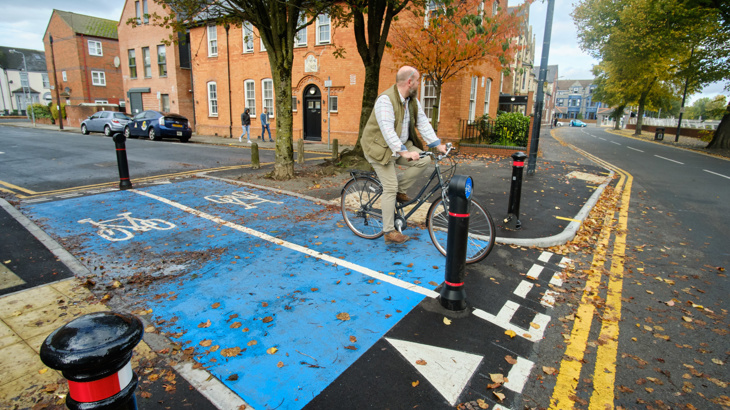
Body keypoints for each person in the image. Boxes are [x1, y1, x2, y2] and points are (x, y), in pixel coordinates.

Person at [361, 66, 447, 245]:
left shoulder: (411, 100)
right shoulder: (385, 100)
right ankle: (389, 231)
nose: (419, 85)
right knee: (390, 187)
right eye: (418, 81)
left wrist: (437, 144)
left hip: (399, 144)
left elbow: (423, 122)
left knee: (424, 159)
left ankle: (398, 191)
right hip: (379, 148)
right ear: (410, 82)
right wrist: (405, 152)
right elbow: (387, 131)